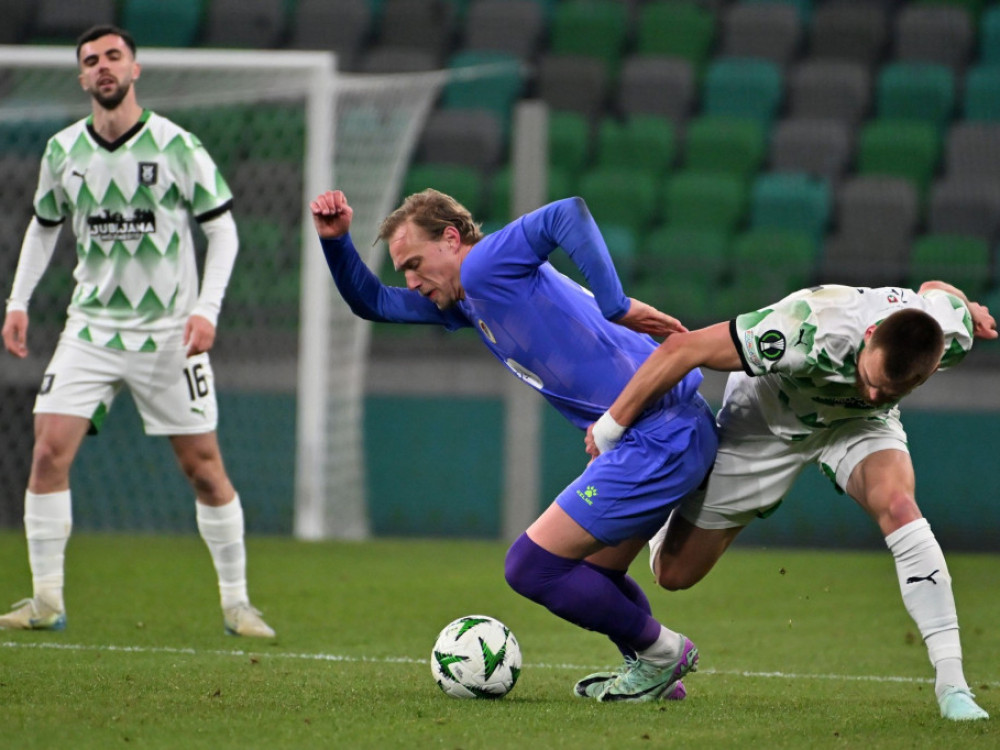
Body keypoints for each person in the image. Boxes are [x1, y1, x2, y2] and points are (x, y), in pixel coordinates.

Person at [310, 187, 718, 701]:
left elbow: (566, 214)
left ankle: (663, 652)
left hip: (660, 431)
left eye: (414, 263)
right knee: (594, 573)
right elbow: (372, 301)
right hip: (664, 430)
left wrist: (616, 304)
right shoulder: (467, 299)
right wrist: (336, 242)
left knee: (531, 566)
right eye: (403, 271)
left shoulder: (483, 265)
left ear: (452, 239)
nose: (411, 281)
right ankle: (655, 677)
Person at [587, 282, 997, 720]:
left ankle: (953, 686)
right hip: (765, 424)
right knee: (672, 574)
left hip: (855, 426)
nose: (874, 393)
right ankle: (681, 478)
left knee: (899, 507)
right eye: (871, 380)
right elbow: (682, 349)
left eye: (892, 391)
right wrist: (610, 428)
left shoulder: (950, 332)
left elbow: (932, 289)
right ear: (870, 334)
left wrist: (966, 305)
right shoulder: (806, 328)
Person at [0, 25, 274, 638]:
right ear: (81, 77)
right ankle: (46, 600)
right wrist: (18, 300)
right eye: (91, 60)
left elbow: (223, 230)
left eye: (113, 57)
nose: (103, 67)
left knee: (204, 468)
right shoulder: (62, 151)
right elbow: (44, 226)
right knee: (47, 452)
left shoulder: (178, 146)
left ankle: (238, 603)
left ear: (135, 68)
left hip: (169, 334)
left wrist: (207, 309)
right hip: (90, 329)